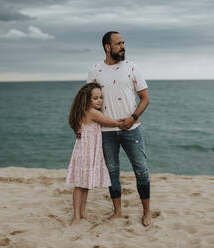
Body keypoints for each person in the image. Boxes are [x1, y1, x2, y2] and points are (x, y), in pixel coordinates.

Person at [87, 31, 151, 226]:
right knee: (112, 171)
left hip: (132, 129)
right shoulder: (95, 70)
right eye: (118, 43)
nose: (123, 46)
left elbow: (145, 98)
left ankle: (147, 212)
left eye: (123, 43)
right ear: (107, 46)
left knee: (141, 170)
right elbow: (89, 102)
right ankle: (117, 212)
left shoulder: (132, 67)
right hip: (106, 131)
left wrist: (133, 118)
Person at [66, 82, 122, 225]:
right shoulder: (92, 112)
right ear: (87, 99)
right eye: (95, 98)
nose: (99, 101)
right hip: (86, 153)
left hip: (86, 152)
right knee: (79, 185)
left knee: (84, 184)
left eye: (101, 97)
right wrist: (127, 121)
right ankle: (77, 216)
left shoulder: (82, 111)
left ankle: (82, 213)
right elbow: (111, 122)